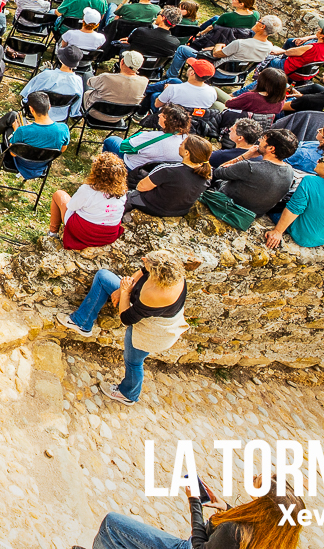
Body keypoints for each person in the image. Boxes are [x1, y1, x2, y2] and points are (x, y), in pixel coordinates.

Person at [57, 251, 186, 406]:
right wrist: (120, 290)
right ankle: (82, 322)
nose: (143, 259)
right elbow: (142, 271)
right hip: (141, 306)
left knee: (133, 361)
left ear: (157, 272)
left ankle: (128, 394)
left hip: (152, 330)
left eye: (147, 261)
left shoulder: (154, 294)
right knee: (103, 276)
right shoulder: (170, 273)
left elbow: (126, 318)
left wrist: (124, 292)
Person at [92, 488, 307, 549]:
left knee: (112, 526)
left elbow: (198, 546)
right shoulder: (277, 540)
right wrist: (225, 507)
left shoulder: (234, 532)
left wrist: (194, 502)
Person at [48, 152, 128, 249]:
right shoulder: (122, 192)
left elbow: (71, 206)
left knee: (59, 195)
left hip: (85, 233)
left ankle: (52, 233)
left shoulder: (88, 190)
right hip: (108, 236)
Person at [213, 128, 297, 215]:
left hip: (229, 207)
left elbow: (218, 172)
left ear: (271, 148)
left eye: (263, 139)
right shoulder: (290, 170)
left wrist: (244, 156)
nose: (259, 140)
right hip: (256, 214)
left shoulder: (249, 167)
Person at [130, 135, 212, 218]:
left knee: (124, 197)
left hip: (152, 207)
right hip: (180, 211)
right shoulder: (207, 174)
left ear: (187, 153)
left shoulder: (168, 169)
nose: (180, 144)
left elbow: (141, 187)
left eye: (182, 144)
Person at [103, 103, 192, 172]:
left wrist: (139, 135)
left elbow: (124, 147)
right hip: (161, 173)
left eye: (163, 115)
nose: (159, 115)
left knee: (111, 140)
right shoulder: (188, 140)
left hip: (133, 168)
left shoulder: (152, 137)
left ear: (169, 122)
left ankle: (103, 170)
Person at [16, 43, 86, 121]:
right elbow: (77, 102)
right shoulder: (78, 80)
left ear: (60, 59)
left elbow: (30, 94)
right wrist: (74, 113)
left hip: (38, 112)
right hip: (61, 116)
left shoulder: (46, 75)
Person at [82, 52, 148, 121]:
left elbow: (90, 83)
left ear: (122, 61)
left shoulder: (107, 78)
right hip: (118, 116)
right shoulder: (144, 81)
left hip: (94, 112)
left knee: (87, 75)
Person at [152, 57, 218, 112]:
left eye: (190, 66)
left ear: (192, 73)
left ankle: (143, 111)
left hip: (170, 119)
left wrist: (166, 91)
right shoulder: (212, 92)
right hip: (195, 120)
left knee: (155, 95)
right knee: (175, 80)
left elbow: (157, 104)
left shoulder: (173, 89)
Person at [223, 67, 288, 119]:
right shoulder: (281, 100)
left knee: (216, 101)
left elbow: (229, 104)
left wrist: (235, 99)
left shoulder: (251, 97)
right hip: (256, 125)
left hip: (237, 119)